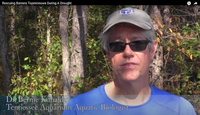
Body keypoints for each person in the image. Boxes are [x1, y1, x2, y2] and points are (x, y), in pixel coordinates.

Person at [62, 7, 197, 115]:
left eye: (137, 44)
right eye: (117, 45)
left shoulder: (180, 109)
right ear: (108, 53)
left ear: (152, 50)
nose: (127, 52)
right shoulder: (78, 109)